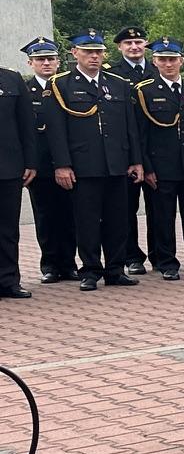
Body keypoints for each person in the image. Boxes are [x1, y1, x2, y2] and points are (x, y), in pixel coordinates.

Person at [47, 31, 144, 291]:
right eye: (88, 52)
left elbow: (130, 127)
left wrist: (136, 160)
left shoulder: (118, 83)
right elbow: (56, 130)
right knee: (87, 221)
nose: (94, 56)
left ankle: (115, 269)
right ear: (74, 53)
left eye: (98, 52)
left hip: (116, 162)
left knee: (118, 220)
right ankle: (90, 270)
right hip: (84, 164)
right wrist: (62, 164)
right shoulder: (61, 85)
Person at [132, 39, 184, 280]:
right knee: (163, 217)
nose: (168, 64)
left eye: (172, 59)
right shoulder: (145, 91)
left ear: (181, 61)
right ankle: (167, 262)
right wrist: (147, 167)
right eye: (163, 60)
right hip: (162, 166)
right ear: (155, 62)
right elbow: (140, 135)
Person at [22, 39, 76, 284]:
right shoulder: (25, 91)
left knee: (70, 215)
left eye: (50, 59)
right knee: (45, 216)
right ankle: (50, 265)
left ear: (58, 61)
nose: (46, 63)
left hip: (69, 163)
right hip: (41, 165)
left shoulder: (67, 87)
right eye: (40, 59)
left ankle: (70, 264)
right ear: (30, 63)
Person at [109, 26, 151, 276]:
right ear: (119, 47)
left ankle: (161, 254)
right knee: (127, 209)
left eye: (138, 42)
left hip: (157, 151)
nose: (134, 47)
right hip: (127, 151)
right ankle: (132, 256)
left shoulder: (158, 69)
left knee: (159, 209)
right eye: (128, 43)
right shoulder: (111, 74)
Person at [0, 49, 33, 300]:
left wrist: (30, 162)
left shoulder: (12, 79)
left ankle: (8, 280)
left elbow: (26, 124)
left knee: (8, 229)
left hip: (8, 167)